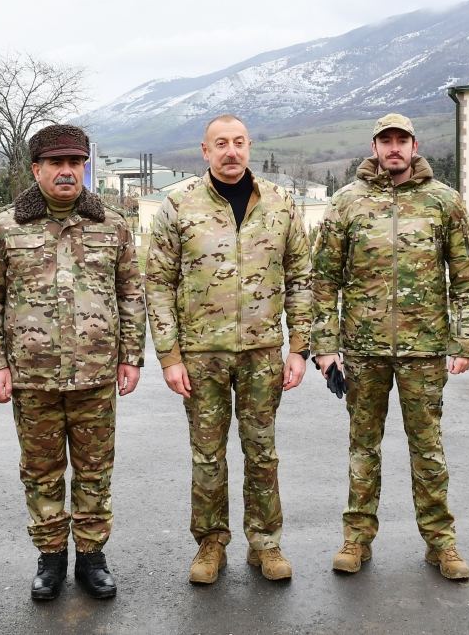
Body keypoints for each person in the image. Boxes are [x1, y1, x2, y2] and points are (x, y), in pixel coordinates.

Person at [0, 124, 146, 601]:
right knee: (41, 472)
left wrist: (131, 356)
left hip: (95, 375)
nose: (67, 171)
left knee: (95, 470)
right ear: (37, 169)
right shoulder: (5, 225)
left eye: (75, 163)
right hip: (32, 378)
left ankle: (92, 557)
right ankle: (50, 559)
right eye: (56, 163)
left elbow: (131, 293)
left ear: (84, 166)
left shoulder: (112, 224)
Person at [310, 113, 469, 581]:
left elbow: (466, 276)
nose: (393, 148)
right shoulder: (346, 204)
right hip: (362, 351)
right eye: (385, 141)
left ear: (414, 145)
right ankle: (356, 539)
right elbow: (322, 280)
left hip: (423, 350)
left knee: (428, 449)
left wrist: (464, 340)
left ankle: (441, 544)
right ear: (374, 147)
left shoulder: (443, 202)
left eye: (401, 140)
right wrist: (324, 347)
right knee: (363, 447)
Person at [145, 114, 311, 584]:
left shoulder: (280, 203)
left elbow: (301, 277)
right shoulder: (178, 205)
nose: (231, 151)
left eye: (239, 142)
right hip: (202, 355)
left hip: (262, 352)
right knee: (206, 455)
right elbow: (157, 283)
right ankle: (210, 543)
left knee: (262, 452)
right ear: (205, 151)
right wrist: (169, 356)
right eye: (221, 143)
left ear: (250, 146)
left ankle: (266, 543)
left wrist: (299, 347)